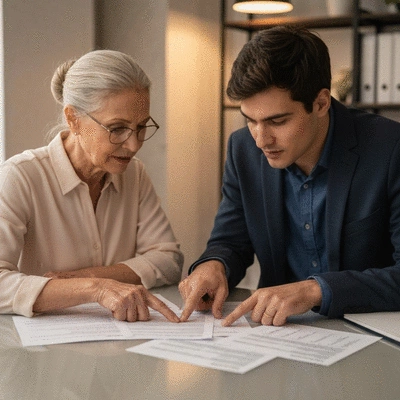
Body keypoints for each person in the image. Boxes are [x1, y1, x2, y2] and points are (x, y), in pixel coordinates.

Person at [179, 25, 400, 326]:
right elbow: (230, 241)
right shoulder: (242, 149)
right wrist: (213, 265)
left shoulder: (390, 149)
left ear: (321, 103)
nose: (260, 139)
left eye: (277, 121)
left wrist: (315, 290)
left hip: (372, 334)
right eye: (250, 120)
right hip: (280, 333)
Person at [0, 50, 183, 322]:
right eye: (117, 128)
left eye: (141, 126)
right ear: (73, 119)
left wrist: (87, 277)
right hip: (40, 355)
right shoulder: (20, 176)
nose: (134, 145)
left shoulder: (134, 174)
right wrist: (95, 289)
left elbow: (168, 260)